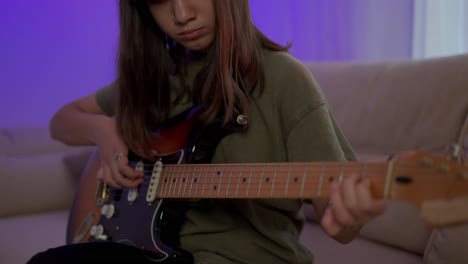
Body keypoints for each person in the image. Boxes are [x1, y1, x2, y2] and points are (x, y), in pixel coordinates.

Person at [28, 0, 386, 263]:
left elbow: (339, 222)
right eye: (160, 0)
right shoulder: (155, 80)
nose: (182, 15)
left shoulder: (284, 79)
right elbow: (62, 120)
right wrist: (103, 132)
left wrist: (349, 218)